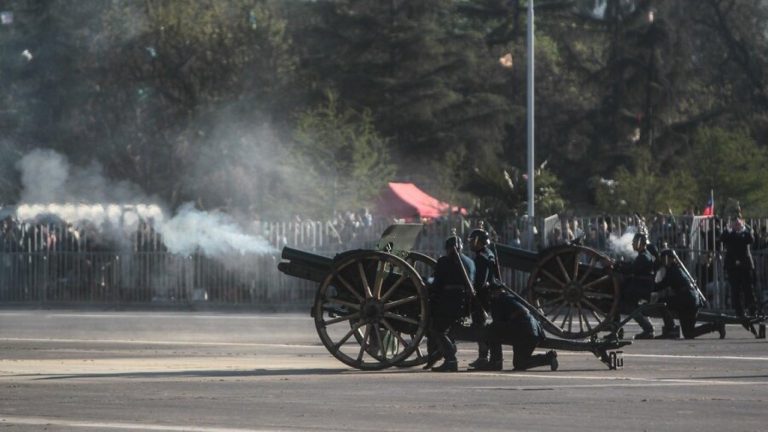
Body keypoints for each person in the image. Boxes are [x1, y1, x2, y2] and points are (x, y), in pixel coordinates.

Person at [472, 283, 558, 371]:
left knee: (491, 329)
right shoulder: (513, 298)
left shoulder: (498, 300)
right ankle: (549, 358)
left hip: (523, 331)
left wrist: (485, 338)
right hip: (534, 332)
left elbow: (497, 325)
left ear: (493, 293)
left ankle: (495, 362)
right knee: (520, 363)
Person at [427, 235, 475, 372]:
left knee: (437, 330)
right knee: (445, 330)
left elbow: (437, 284)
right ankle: (444, 351)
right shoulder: (470, 262)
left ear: (448, 249)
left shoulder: (443, 262)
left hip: (448, 302)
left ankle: (450, 358)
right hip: (464, 303)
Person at [653, 249, 725, 339]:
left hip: (687, 299)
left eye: (664, 259)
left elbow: (659, 286)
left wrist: (652, 276)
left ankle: (670, 330)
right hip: (689, 300)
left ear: (670, 259)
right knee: (688, 333)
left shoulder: (673, 271)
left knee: (661, 303)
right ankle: (716, 326)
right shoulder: (676, 269)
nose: (663, 262)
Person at [617, 232, 658, 339]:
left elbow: (631, 269)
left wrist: (618, 265)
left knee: (624, 303)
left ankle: (648, 329)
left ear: (640, 243)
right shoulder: (644, 255)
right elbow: (632, 266)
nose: (632, 244)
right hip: (641, 286)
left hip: (640, 288)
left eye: (634, 242)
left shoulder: (643, 257)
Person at [466, 228, 496, 370]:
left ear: (478, 241)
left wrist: (472, 290)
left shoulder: (481, 258)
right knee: (480, 325)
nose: (471, 244)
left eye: (472, 241)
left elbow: (480, 281)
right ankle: (483, 356)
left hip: (482, 297)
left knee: (479, 326)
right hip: (487, 295)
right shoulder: (488, 253)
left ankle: (483, 357)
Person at [720, 217, 757, 316]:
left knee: (748, 289)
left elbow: (752, 239)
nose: (737, 225)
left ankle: (752, 309)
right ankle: (739, 312)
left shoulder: (745, 233)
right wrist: (728, 228)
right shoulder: (729, 234)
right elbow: (722, 238)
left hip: (745, 266)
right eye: (735, 223)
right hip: (732, 266)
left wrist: (745, 228)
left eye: (738, 223)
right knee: (735, 290)